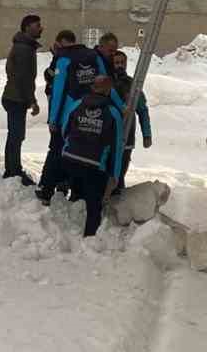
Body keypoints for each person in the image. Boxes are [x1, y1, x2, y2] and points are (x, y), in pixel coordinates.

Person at [37, 35, 107, 203]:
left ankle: (45, 189)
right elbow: (106, 82)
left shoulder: (64, 60)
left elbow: (58, 91)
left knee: (56, 152)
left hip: (66, 117)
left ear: (61, 46)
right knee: (81, 154)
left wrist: (53, 120)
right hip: (89, 115)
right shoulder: (94, 57)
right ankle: (77, 193)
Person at [57, 74, 126, 237]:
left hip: (70, 159)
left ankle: (63, 232)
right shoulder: (113, 112)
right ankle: (89, 238)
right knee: (94, 207)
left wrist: (71, 146)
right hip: (94, 165)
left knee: (75, 194)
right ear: (109, 90)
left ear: (92, 88)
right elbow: (117, 147)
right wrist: (115, 176)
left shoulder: (77, 104)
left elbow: (64, 128)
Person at [1, 14, 42, 183]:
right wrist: (32, 101)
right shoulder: (24, 49)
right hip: (16, 97)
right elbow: (23, 78)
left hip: (14, 96)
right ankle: (13, 171)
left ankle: (12, 169)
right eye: (37, 25)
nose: (41, 28)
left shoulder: (23, 46)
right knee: (16, 135)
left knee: (15, 135)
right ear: (27, 28)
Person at [40, 28, 76, 192]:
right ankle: (57, 182)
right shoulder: (60, 59)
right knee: (58, 149)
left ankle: (57, 183)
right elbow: (49, 76)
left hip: (65, 114)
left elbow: (53, 80)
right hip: (59, 111)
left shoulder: (68, 60)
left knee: (60, 149)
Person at [111, 49, 152, 190]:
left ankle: (117, 203)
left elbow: (142, 110)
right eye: (116, 63)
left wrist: (147, 135)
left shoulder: (132, 85)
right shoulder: (105, 82)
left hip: (126, 136)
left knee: (120, 173)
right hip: (107, 135)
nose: (120, 65)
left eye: (122, 62)